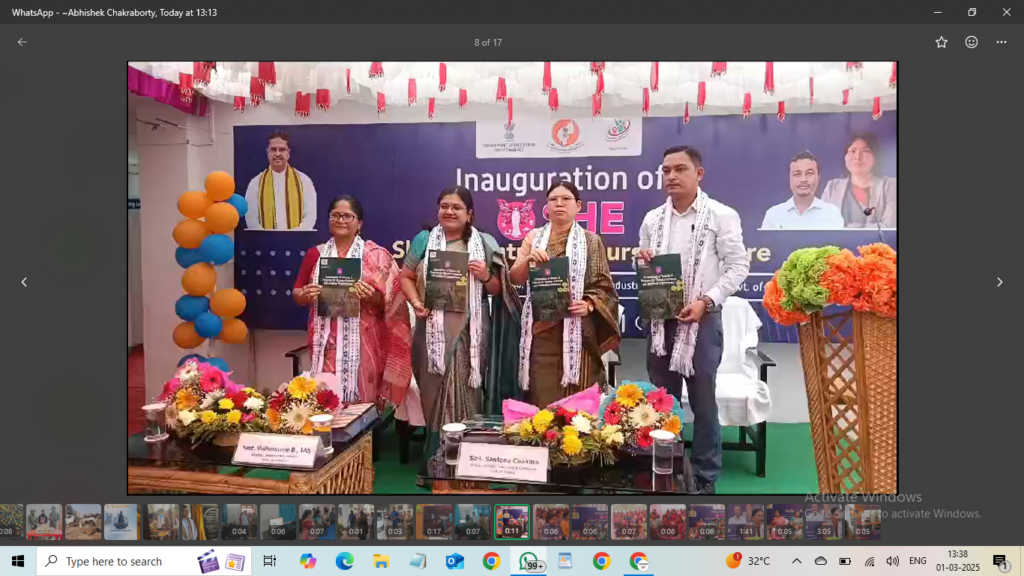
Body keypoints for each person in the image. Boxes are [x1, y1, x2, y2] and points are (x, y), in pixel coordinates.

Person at [637, 145, 750, 495]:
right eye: (666, 170)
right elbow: (644, 266)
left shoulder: (721, 215)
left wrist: (706, 301)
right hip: (661, 322)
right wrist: (642, 260)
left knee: (703, 404)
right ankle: (665, 469)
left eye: (680, 169)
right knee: (662, 403)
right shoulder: (652, 219)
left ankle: (704, 477)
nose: (671, 176)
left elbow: (738, 266)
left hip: (702, 322)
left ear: (698, 174)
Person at [400, 186, 519, 432]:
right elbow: (406, 277)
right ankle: (437, 447)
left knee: (468, 391)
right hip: (430, 330)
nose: (449, 211)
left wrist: (486, 276)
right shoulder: (424, 240)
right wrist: (416, 303)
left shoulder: (484, 243)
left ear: (469, 214)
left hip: (470, 333)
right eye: (444, 206)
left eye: (457, 207)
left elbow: (498, 291)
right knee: (433, 394)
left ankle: (467, 445)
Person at [511, 181, 621, 407]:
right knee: (542, 405)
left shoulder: (591, 241)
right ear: (547, 206)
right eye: (553, 199)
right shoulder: (534, 238)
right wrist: (529, 260)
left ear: (578, 205)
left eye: (565, 199)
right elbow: (514, 278)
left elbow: (604, 286)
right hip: (541, 333)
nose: (559, 204)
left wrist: (588, 304)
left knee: (577, 407)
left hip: (579, 333)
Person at [295, 195, 412, 405]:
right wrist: (305, 295)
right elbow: (297, 292)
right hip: (325, 342)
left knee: (364, 401)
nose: (341, 220)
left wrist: (371, 296)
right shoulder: (315, 254)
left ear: (359, 223)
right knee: (325, 400)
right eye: (335, 215)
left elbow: (390, 304)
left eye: (347, 216)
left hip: (364, 343)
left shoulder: (376, 255)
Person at [821, 131, 897, 227]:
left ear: (875, 156)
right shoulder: (832, 187)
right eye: (852, 151)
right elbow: (822, 224)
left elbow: (890, 226)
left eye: (865, 151)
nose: (857, 157)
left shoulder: (891, 185)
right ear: (845, 156)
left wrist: (850, 228)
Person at [245, 131, 318, 230]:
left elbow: (310, 217)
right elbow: (251, 218)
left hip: (297, 238)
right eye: (273, 149)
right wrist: (266, 237)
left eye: (282, 149)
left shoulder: (304, 181)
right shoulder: (255, 183)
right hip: (264, 239)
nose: (277, 154)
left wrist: (294, 236)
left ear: (288, 153)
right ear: (267, 152)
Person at [760, 150, 844, 230]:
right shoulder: (773, 215)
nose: (803, 179)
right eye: (797, 174)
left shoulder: (831, 214)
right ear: (789, 178)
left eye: (809, 173)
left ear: (818, 177)